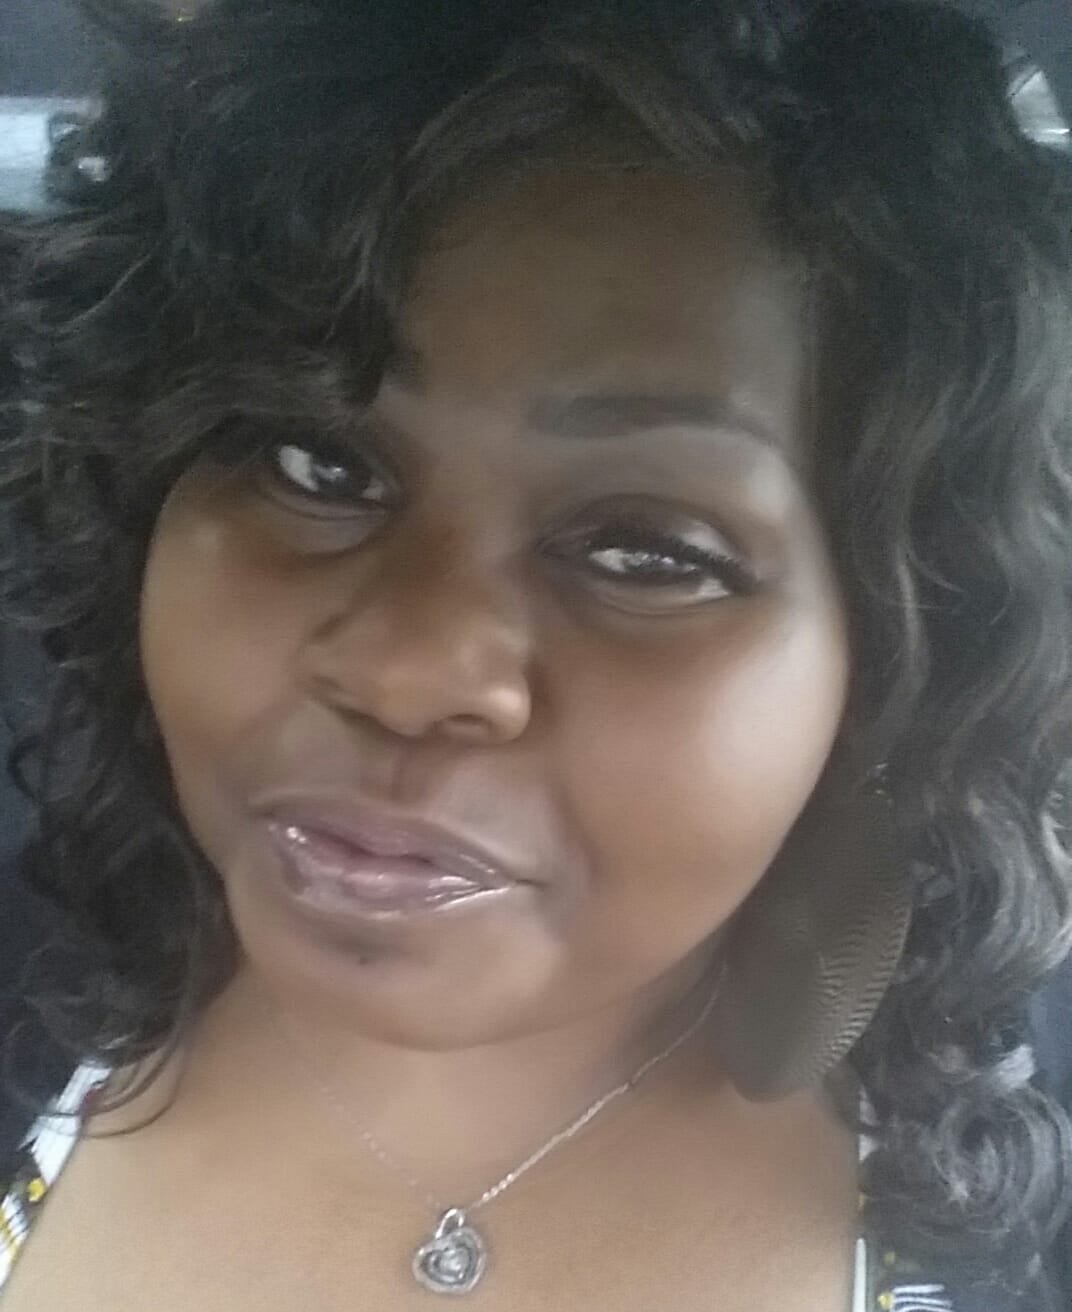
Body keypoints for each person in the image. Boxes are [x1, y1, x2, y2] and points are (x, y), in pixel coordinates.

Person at [0, 0, 1071, 1308]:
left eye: (647, 553)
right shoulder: (33, 957)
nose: (406, 673)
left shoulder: (1021, 1144)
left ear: (898, 655)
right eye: (313, 464)